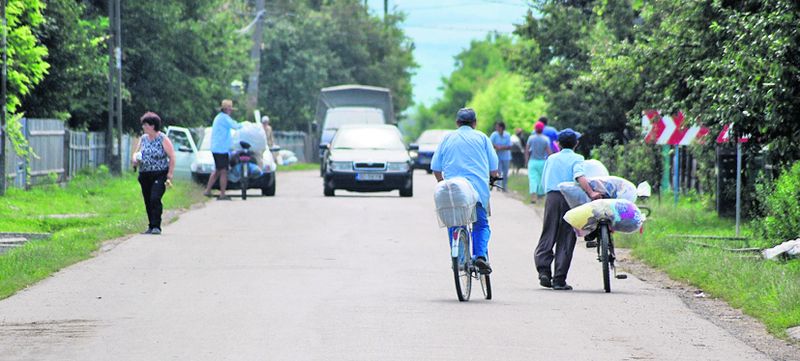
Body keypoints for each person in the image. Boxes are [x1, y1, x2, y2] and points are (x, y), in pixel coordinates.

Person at [431, 108, 500, 274]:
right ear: (475, 123)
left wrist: (443, 184)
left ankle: (461, 259)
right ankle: (480, 256)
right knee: (481, 225)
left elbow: (435, 167)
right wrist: (492, 178)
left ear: (457, 123)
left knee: (455, 224)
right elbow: (494, 167)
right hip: (477, 191)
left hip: (454, 191)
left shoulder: (447, 138)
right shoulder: (482, 138)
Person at [534, 128, 601, 290]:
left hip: (552, 197)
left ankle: (543, 270)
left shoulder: (551, 158)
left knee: (548, 232)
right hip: (569, 199)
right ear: (576, 143)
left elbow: (544, 181)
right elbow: (579, 176)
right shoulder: (578, 158)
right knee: (566, 236)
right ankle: (559, 279)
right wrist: (591, 192)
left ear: (558, 144)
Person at [131, 112, 176, 235]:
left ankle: (157, 225)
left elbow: (172, 156)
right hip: (145, 174)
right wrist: (135, 160)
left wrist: (170, 174)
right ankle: (151, 225)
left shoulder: (162, 138)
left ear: (153, 125)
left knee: (155, 198)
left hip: (159, 173)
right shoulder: (143, 139)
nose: (144, 127)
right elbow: (137, 153)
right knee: (147, 199)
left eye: (146, 125)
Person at [204, 99, 242, 200]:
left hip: (218, 148)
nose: (230, 110)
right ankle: (222, 194)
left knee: (217, 170)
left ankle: (207, 190)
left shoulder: (219, 118)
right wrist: (245, 125)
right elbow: (235, 126)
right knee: (224, 171)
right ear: (226, 109)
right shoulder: (224, 118)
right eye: (229, 108)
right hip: (221, 149)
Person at [526, 121, 552, 204]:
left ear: (535, 129)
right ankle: (541, 195)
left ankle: (533, 194)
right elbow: (548, 152)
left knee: (533, 178)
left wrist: (526, 160)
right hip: (542, 162)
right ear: (542, 129)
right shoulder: (545, 139)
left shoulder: (531, 138)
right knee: (541, 179)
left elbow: (527, 150)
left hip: (533, 161)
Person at [489, 121, 512, 191]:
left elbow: (509, 146)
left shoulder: (507, 135)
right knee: (498, 171)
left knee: (505, 172)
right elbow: (489, 143)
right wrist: (496, 146)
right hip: (497, 156)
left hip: (506, 157)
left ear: (501, 128)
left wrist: (501, 148)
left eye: (498, 126)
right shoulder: (494, 134)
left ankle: (504, 186)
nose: (496, 128)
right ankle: (499, 186)